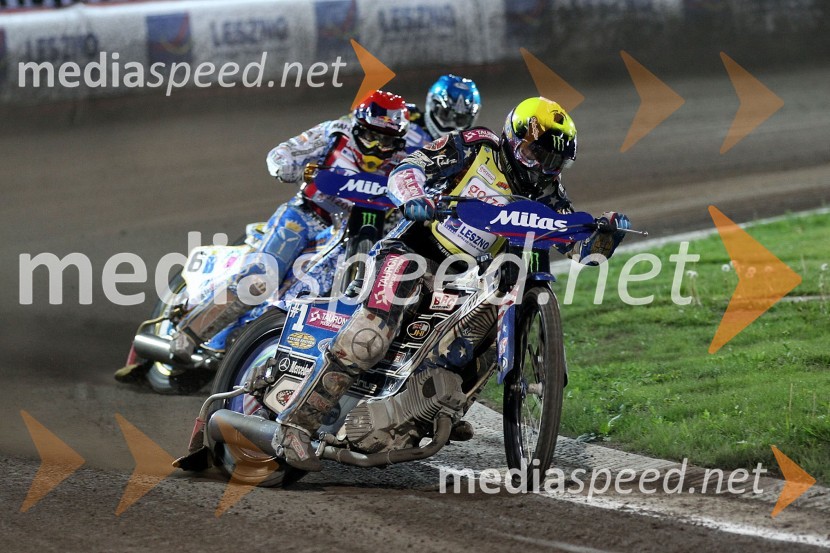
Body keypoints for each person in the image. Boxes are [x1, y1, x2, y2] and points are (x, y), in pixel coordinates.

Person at [271, 96, 631, 471]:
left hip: (464, 279)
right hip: (412, 252)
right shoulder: (476, 146)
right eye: (534, 153)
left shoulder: (549, 194)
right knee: (370, 339)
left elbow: (579, 250)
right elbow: (411, 165)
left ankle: (437, 407)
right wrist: (414, 196)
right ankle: (295, 426)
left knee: (491, 333)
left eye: (553, 161)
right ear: (513, 136)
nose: (542, 166)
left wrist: (605, 234)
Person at [168, 90, 412, 361]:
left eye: (387, 141)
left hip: (352, 231)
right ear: (357, 127)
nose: (379, 148)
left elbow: (417, 184)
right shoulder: (333, 134)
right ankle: (188, 334)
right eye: (372, 136)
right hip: (305, 217)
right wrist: (287, 167)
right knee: (260, 280)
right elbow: (283, 153)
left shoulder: (403, 160)